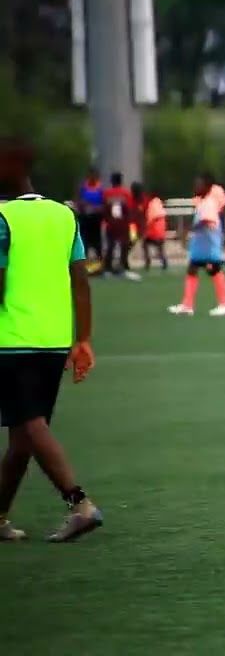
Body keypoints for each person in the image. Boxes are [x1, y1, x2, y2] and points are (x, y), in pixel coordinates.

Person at [0, 140, 103, 543]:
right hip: (54, 341)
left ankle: (80, 504)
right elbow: (81, 282)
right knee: (24, 437)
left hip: (11, 341)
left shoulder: (2, 217)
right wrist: (83, 340)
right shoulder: (64, 215)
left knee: (30, 426)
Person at [168, 174, 225, 317]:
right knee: (193, 270)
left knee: (214, 271)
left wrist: (188, 230)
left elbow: (206, 221)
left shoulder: (209, 202)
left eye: (198, 184)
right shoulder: (203, 201)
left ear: (207, 187)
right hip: (201, 246)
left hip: (208, 246)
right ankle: (187, 304)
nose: (195, 187)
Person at [101, 172, 139, 280]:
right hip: (122, 223)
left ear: (112, 181)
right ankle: (122, 267)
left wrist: (107, 220)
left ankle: (107, 268)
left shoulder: (107, 193)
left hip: (111, 223)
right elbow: (128, 209)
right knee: (124, 246)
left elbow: (105, 209)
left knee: (110, 246)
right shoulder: (126, 194)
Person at [75, 168, 105, 269]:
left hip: (96, 218)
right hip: (85, 218)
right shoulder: (83, 187)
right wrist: (82, 206)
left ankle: (100, 265)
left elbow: (104, 203)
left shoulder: (100, 188)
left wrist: (98, 209)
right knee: (85, 242)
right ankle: (83, 265)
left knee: (97, 242)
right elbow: (78, 201)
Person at [139, 185, 168, 270]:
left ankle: (148, 261)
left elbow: (151, 219)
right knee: (159, 247)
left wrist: (146, 230)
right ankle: (164, 261)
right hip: (161, 230)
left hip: (155, 230)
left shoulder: (152, 203)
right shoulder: (159, 203)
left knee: (145, 243)